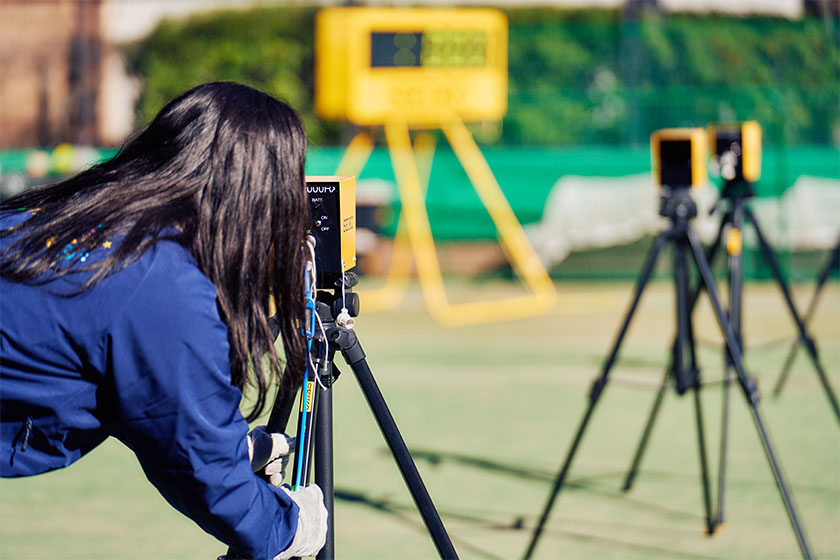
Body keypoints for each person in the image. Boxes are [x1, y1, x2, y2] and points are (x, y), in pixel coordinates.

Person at [0, 82, 327, 559]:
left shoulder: (79, 217)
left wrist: (231, 447)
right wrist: (293, 527)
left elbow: (148, 402)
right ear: (261, 194)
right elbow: (203, 472)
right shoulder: (165, 280)